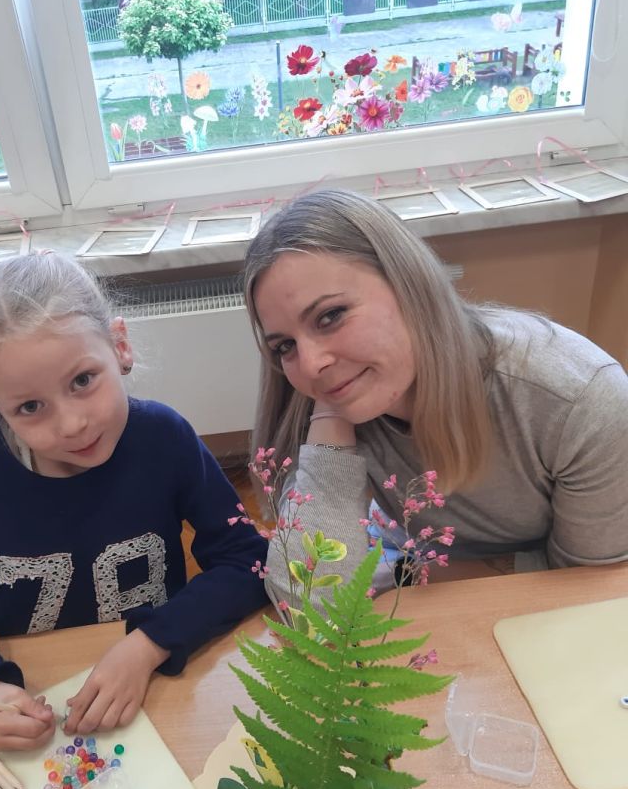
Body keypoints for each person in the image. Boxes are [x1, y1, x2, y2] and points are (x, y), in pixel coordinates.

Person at [0, 253, 266, 750]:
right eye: (30, 407)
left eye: (83, 380)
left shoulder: (165, 438)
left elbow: (247, 561)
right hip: (37, 704)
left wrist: (149, 644)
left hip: (155, 688)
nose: (72, 424)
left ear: (119, 346)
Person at [243, 187, 628, 604]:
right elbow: (307, 600)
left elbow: (592, 590)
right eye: (285, 346)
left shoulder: (578, 398)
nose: (310, 363)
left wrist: (417, 576)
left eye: (331, 316)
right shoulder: (324, 391)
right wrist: (330, 419)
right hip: (419, 571)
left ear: (411, 286)